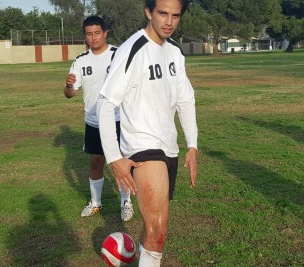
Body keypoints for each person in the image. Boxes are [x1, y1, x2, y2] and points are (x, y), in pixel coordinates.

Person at [97, 0, 197, 265]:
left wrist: (193, 146)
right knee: (159, 231)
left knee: (151, 229)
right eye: (162, 13)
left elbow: (186, 99)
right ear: (148, 12)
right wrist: (114, 158)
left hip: (169, 147)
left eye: (175, 16)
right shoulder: (133, 49)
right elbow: (106, 103)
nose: (169, 22)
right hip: (141, 146)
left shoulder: (175, 51)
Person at [63, 16, 134, 221]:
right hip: (93, 122)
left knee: (121, 162)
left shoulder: (118, 55)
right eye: (88, 34)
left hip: (118, 119)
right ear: (84, 35)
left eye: (97, 33)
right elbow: (70, 94)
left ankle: (126, 203)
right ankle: (96, 203)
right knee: (95, 161)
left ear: (105, 33)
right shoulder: (80, 60)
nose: (93, 38)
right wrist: (68, 86)